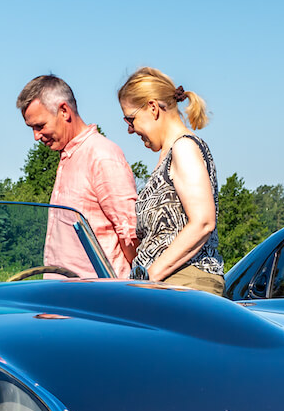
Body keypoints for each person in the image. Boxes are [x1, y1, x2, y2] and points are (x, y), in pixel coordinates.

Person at [16, 75, 138, 278]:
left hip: (96, 299)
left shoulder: (101, 155)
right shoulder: (68, 156)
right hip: (63, 298)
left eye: (40, 126)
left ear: (64, 111)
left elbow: (130, 236)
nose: (36, 136)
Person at [117, 67, 224, 294]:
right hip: (167, 287)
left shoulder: (184, 147)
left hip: (184, 286)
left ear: (153, 107)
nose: (129, 129)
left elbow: (203, 222)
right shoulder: (169, 154)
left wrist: (151, 275)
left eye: (130, 119)